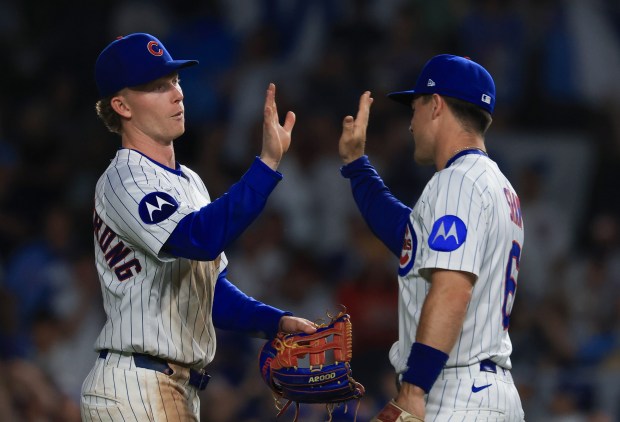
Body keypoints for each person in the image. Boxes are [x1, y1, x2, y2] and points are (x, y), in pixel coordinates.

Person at [81, 32, 317, 421]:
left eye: (174, 80)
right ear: (121, 105)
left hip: (171, 389)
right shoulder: (125, 177)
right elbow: (200, 239)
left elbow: (209, 293)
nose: (176, 93)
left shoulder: (189, 181)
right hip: (134, 384)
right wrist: (266, 165)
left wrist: (274, 321)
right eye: (157, 86)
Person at [338, 54, 525, 421]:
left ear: (436, 105)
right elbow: (409, 238)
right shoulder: (498, 187)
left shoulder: (457, 181)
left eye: (415, 107)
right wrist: (357, 165)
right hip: (486, 392)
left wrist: (414, 388)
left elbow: (452, 288)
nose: (410, 124)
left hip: (453, 391)